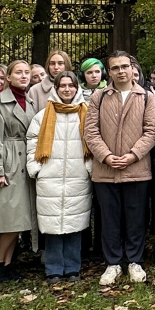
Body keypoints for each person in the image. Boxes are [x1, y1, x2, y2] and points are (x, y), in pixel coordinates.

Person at [85, 50, 155, 286]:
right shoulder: (99, 97)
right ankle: (113, 263)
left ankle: (135, 260)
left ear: (131, 68)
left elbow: (151, 132)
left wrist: (133, 155)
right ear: (110, 71)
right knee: (109, 218)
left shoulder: (146, 97)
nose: (120, 71)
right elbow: (91, 132)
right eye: (115, 67)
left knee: (136, 217)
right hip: (105, 170)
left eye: (124, 66)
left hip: (136, 169)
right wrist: (106, 156)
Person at [26, 71, 94, 280]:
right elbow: (32, 142)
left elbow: (93, 141)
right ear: (56, 89)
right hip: (50, 177)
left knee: (75, 224)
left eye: (70, 85)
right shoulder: (42, 116)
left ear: (77, 88)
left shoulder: (87, 113)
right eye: (62, 85)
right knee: (53, 224)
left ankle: (73, 267)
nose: (67, 89)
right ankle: (54, 268)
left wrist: (89, 167)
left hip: (77, 176)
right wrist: (35, 167)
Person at [0, 59, 37, 282]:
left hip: (26, 162)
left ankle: (6, 262)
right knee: (10, 218)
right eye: (19, 73)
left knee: (20, 218)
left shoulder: (30, 101)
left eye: (27, 73)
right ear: (8, 77)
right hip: (8, 162)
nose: (24, 76)